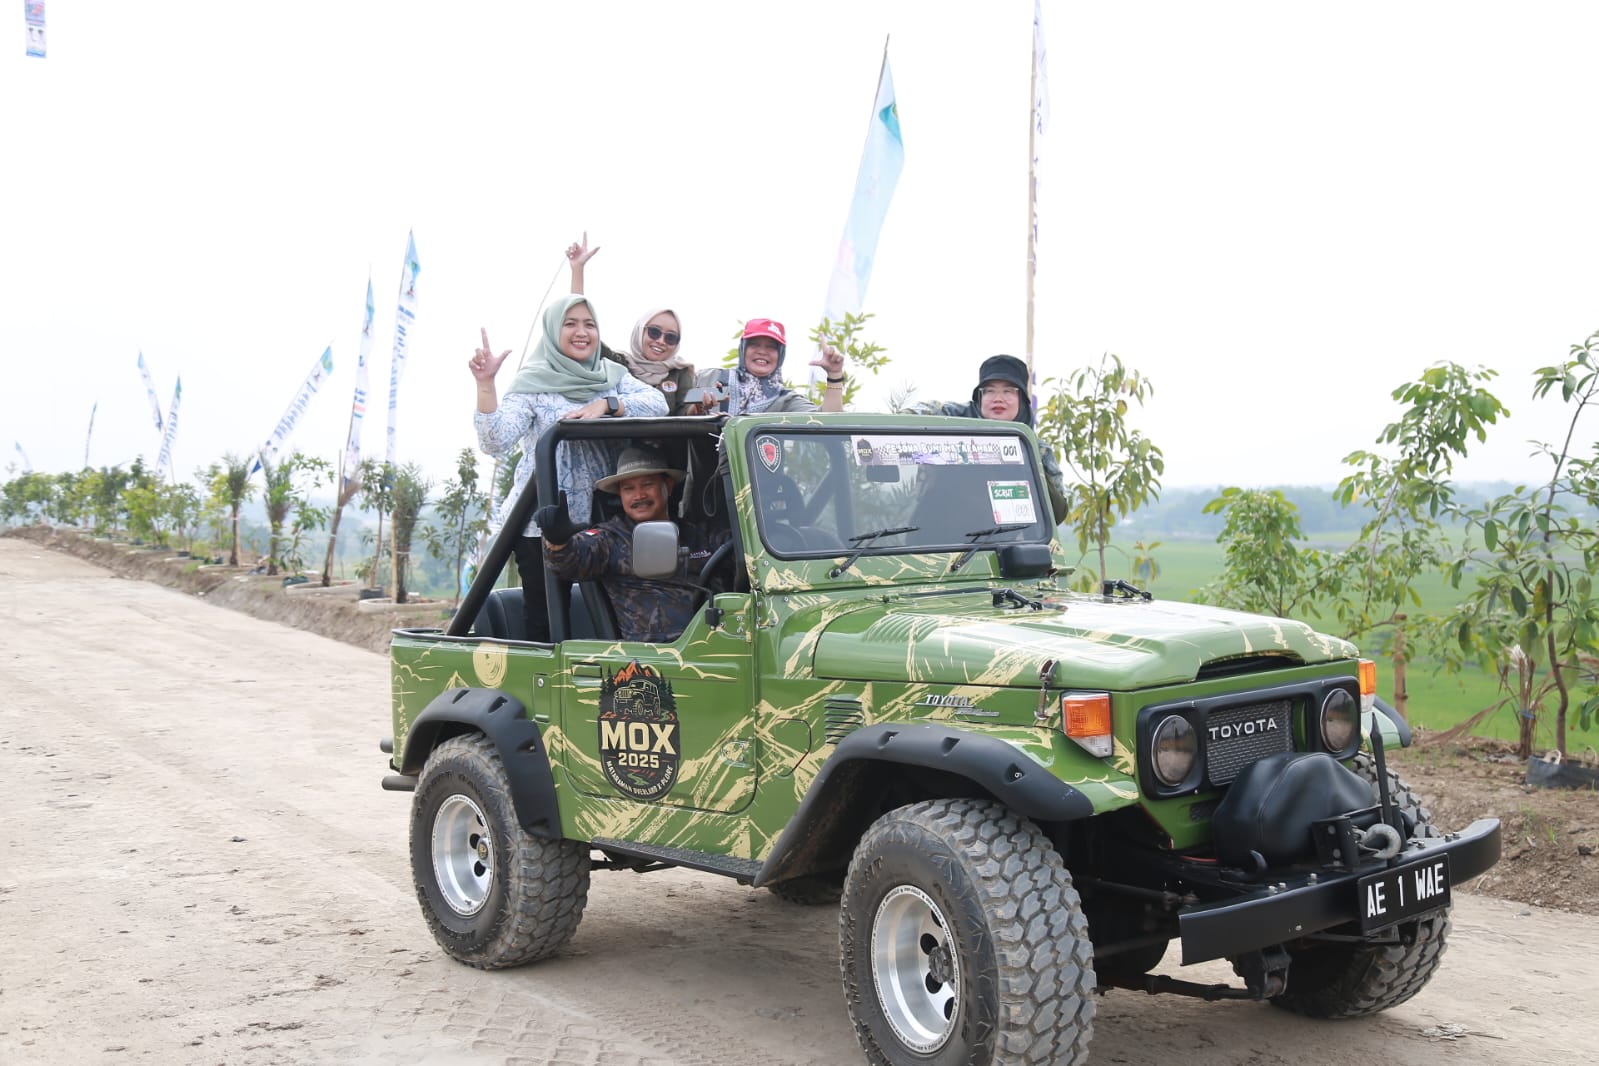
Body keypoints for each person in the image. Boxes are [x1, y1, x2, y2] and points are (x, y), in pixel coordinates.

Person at [470, 294, 669, 642]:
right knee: (547, 618)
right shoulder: (534, 383)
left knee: (612, 614)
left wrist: (607, 405)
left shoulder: (610, 377)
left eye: (589, 324)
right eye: (570, 324)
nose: (582, 332)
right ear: (552, 331)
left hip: (602, 518)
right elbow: (495, 441)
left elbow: (658, 404)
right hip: (544, 519)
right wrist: (486, 384)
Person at [533, 446, 732, 643]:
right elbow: (570, 559)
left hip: (721, 642)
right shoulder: (611, 537)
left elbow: (741, 555)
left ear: (668, 486)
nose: (639, 496)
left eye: (647, 485)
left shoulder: (700, 534)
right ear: (620, 495)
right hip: (656, 655)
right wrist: (556, 540)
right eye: (629, 489)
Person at [915, 354, 1070, 525]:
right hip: (940, 530)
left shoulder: (1037, 448)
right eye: (989, 391)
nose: (998, 399)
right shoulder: (957, 420)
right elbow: (921, 411)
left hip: (1006, 537)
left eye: (1008, 391)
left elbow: (1057, 514)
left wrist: (1028, 463)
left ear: (1021, 399)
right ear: (980, 397)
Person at [566, 234, 697, 415]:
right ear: (640, 332)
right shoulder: (618, 364)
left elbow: (685, 413)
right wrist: (577, 270)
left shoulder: (679, 372)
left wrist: (700, 407)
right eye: (654, 332)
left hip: (668, 435)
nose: (661, 341)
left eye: (670, 337)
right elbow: (583, 335)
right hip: (619, 434)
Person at [692, 319, 847, 414]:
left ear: (781, 355)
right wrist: (698, 409)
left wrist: (834, 374)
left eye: (771, 347)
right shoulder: (706, 378)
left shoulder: (785, 400)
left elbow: (828, 420)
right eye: (754, 344)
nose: (762, 351)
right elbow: (679, 409)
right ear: (743, 349)